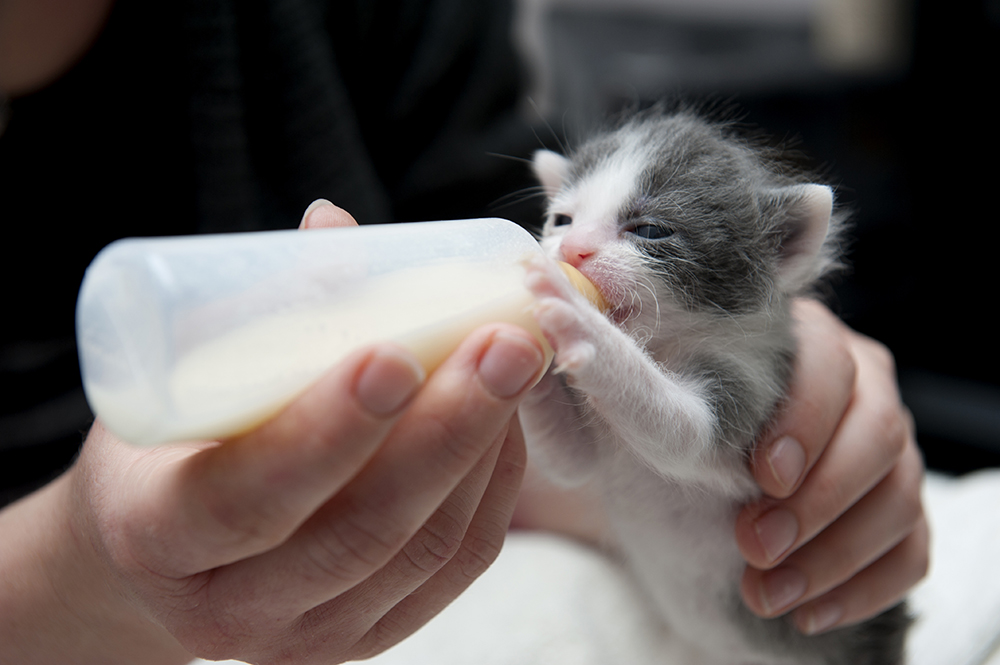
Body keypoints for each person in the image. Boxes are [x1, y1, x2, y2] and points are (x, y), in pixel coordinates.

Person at [0, 0, 927, 662]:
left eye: (643, 231)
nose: (575, 252)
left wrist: (527, 359)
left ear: (775, 262)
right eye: (561, 221)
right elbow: (573, 451)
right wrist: (74, 581)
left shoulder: (385, 25)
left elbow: (617, 455)